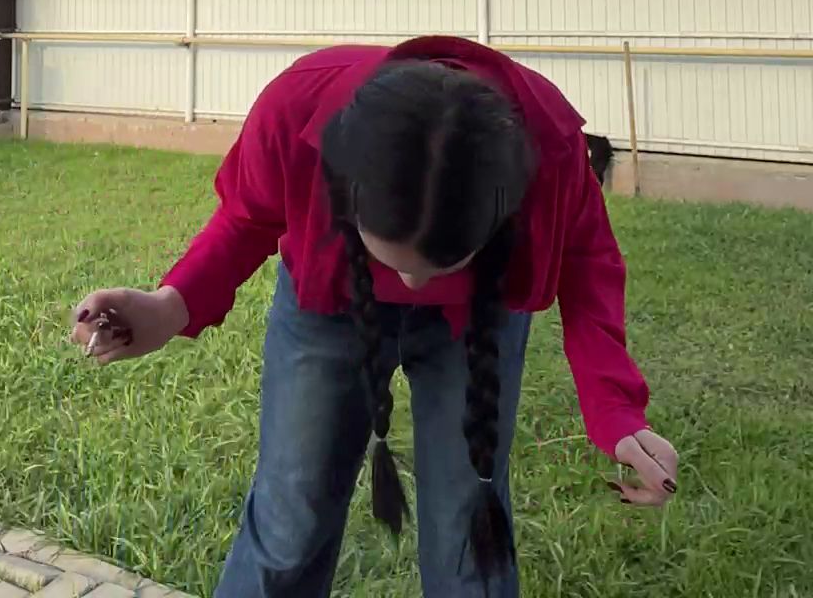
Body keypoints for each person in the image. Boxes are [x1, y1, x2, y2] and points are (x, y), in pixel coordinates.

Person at [71, 36, 678, 597]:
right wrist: (171, 304)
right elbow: (247, 218)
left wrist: (616, 411)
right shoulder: (298, 108)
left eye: (440, 266)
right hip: (331, 306)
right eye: (393, 260)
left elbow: (587, 262)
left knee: (469, 525)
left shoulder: (548, 147)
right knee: (291, 514)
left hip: (478, 322)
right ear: (344, 191)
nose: (411, 284)